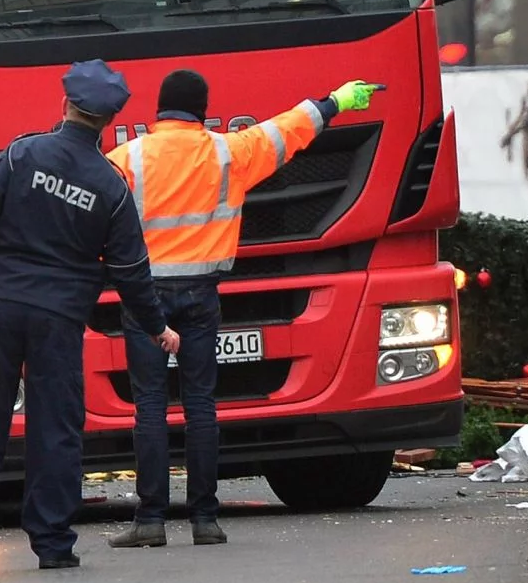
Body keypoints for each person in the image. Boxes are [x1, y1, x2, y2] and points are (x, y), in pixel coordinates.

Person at [104, 70, 384, 549]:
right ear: (202, 110)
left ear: (160, 110)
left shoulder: (126, 158)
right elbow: (289, 129)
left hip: (145, 297)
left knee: (150, 407)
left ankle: (150, 521)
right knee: (200, 405)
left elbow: (91, 212)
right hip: (201, 294)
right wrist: (336, 101)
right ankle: (205, 520)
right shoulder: (229, 153)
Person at [0, 59, 175, 574]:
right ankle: (53, 542)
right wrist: (156, 327)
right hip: (58, 318)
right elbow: (131, 270)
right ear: (108, 122)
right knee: (55, 427)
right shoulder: (111, 187)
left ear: (65, 104)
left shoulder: (22, 154)